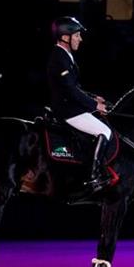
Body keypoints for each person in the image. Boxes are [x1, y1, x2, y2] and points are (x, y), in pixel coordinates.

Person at [47, 16, 113, 192]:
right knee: (104, 131)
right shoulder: (58, 57)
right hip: (67, 110)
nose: (80, 39)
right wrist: (94, 105)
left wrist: (94, 97)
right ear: (65, 37)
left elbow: (74, 86)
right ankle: (94, 176)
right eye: (77, 35)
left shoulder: (65, 56)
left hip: (71, 105)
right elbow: (69, 90)